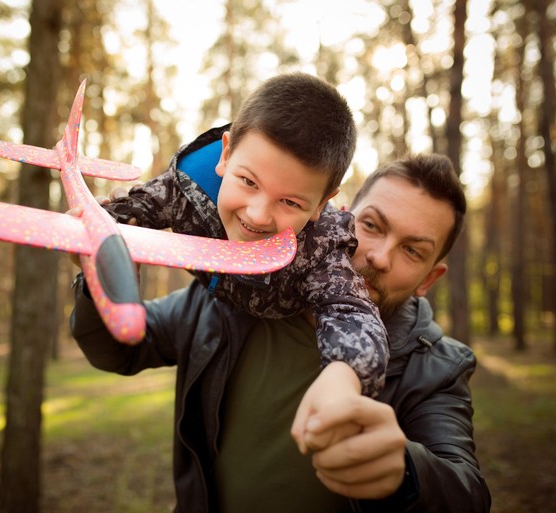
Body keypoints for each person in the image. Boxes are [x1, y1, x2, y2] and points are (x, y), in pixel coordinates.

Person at [70, 153, 491, 512]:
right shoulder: (235, 297)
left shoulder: (437, 367)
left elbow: (466, 491)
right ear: (339, 217)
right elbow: (119, 351)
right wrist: (99, 281)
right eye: (373, 226)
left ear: (428, 278)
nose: (379, 257)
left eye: (412, 250)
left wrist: (407, 473)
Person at [100, 72, 388, 400]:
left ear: (321, 203)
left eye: (291, 202)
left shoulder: (322, 247)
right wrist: (99, 225)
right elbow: (114, 220)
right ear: (225, 155)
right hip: (212, 313)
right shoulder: (183, 191)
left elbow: (353, 314)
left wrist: (344, 379)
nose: (258, 215)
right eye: (249, 182)